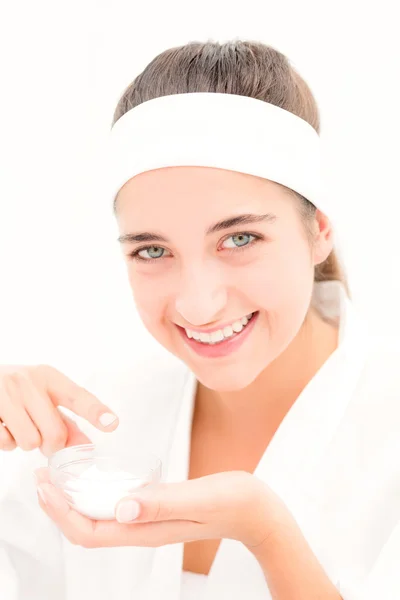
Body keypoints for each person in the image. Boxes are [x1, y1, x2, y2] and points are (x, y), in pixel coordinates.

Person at [1, 39, 400, 600]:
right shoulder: (94, 425)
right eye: (152, 251)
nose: (199, 305)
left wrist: (268, 535)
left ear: (319, 232)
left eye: (240, 238)